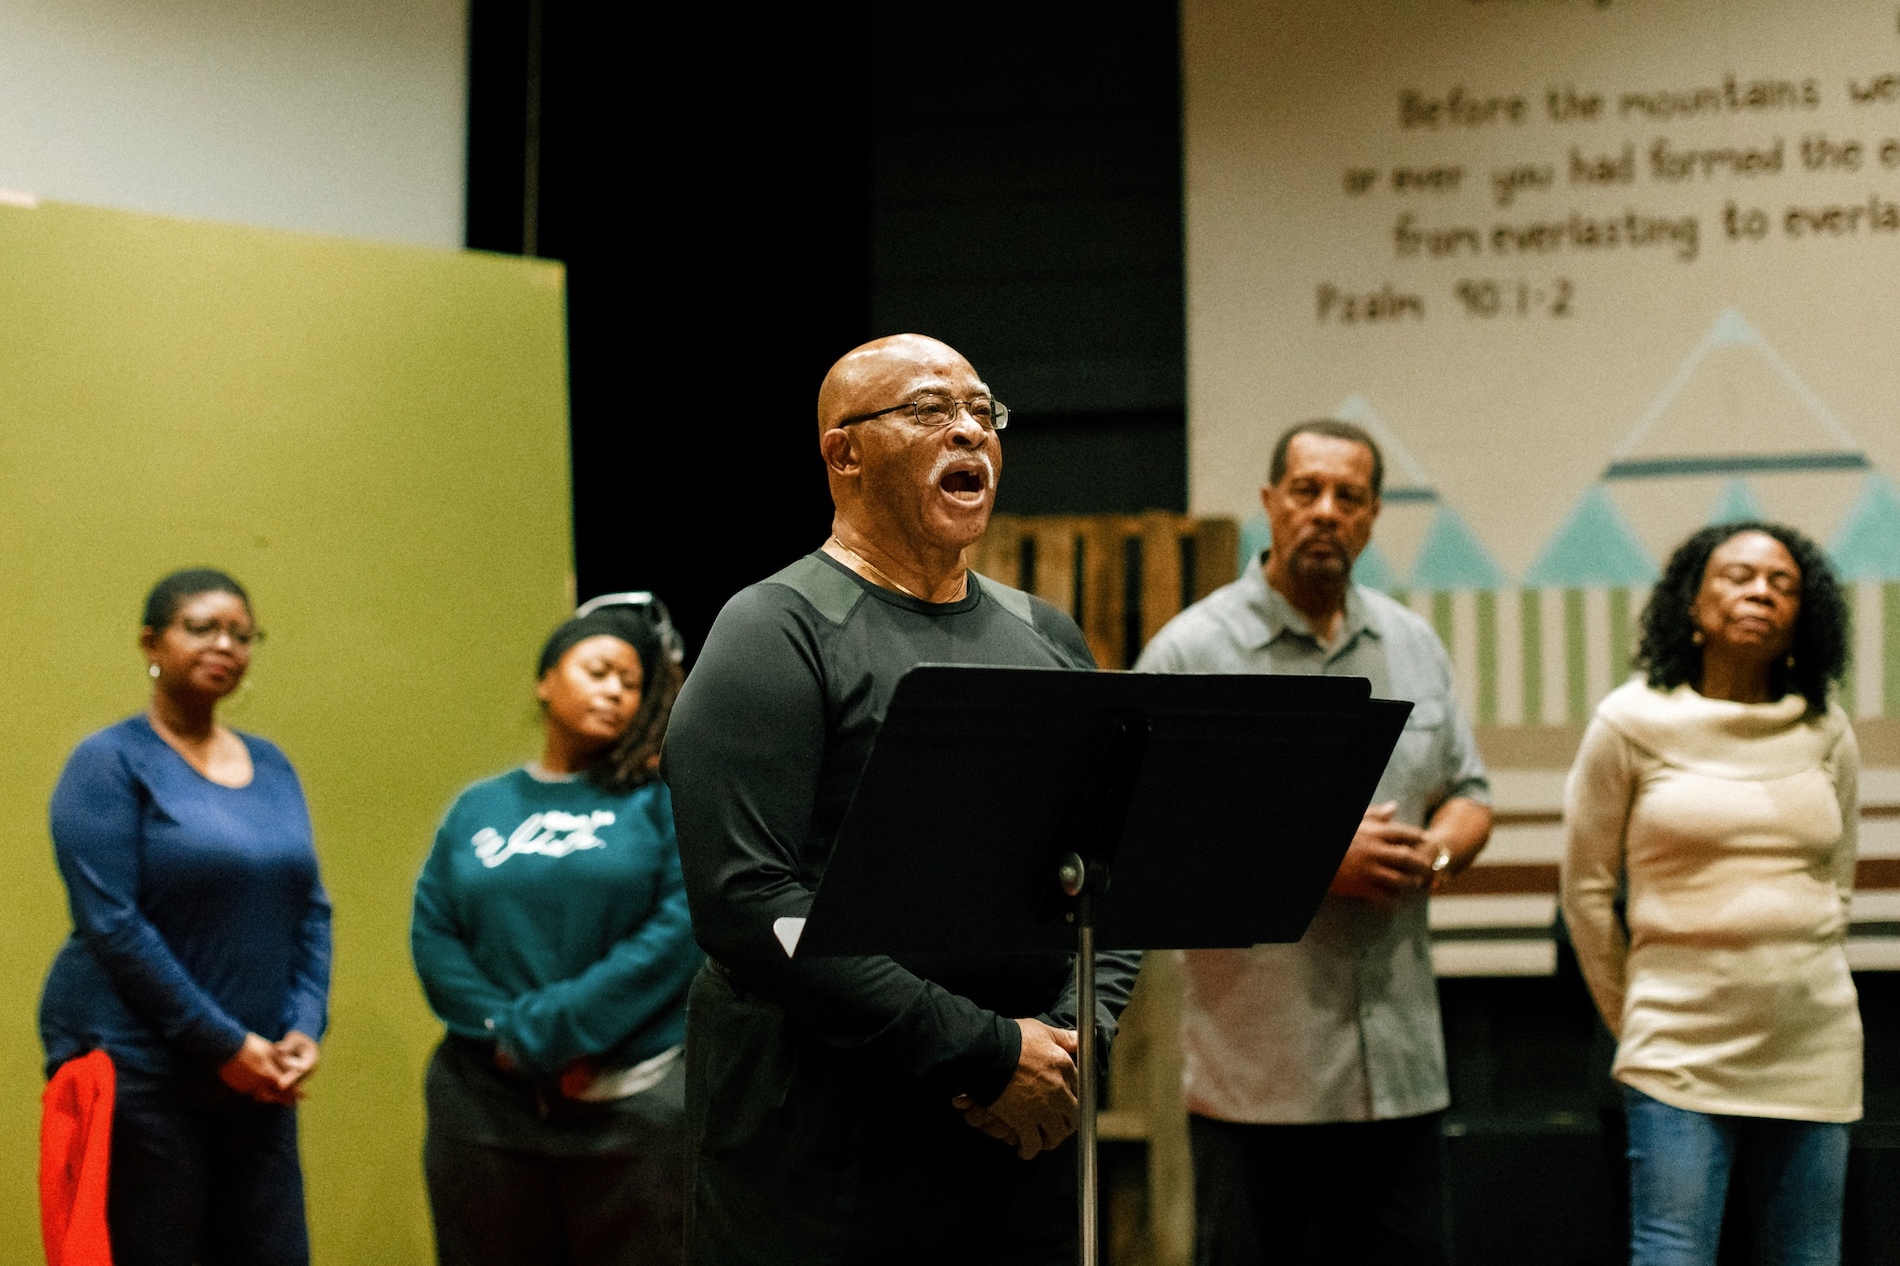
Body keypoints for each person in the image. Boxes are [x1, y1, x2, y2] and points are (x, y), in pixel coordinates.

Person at [662, 333, 1142, 1264]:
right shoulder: (773, 631)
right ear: (844, 451)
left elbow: (1109, 870)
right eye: (929, 410)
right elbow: (750, 906)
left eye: (982, 411)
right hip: (827, 1141)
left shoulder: (1045, 634)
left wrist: (1070, 1042)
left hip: (1027, 1121)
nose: (969, 431)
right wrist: (984, 1054)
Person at [1134, 421, 1492, 1266]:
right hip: (1260, 1082)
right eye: (1306, 491)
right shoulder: (1192, 653)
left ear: (1371, 518)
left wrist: (1435, 855)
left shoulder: (1412, 643)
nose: (1325, 512)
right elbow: (1142, 831)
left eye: (1349, 496)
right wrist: (1313, 859)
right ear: (1270, 504)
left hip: (1400, 1071)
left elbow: (1470, 794)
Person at [1560, 522, 1859, 1266]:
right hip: (1676, 1046)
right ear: (1691, 606)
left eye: (1782, 583)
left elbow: (1838, 885)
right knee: (1673, 1254)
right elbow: (1587, 893)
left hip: (1811, 1043)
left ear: (1803, 615)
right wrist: (1633, 1017)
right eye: (1738, 576)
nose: (1761, 591)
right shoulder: (1630, 722)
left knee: (1809, 1257)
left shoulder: (1825, 729)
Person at [39, 567, 331, 1266]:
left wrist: (302, 1027)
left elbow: (310, 908)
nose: (224, 644)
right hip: (145, 1081)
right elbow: (112, 924)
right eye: (201, 628)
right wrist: (222, 1046)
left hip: (260, 1081)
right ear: (152, 641)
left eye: (241, 633)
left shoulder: (272, 763)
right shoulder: (108, 763)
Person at [412, 594, 701, 1266]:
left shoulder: (661, 805)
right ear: (545, 681)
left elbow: (676, 934)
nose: (615, 692)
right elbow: (436, 934)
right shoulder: (479, 806)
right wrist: (506, 1034)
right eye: (598, 670)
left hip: (632, 1106)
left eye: (631, 684)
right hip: (484, 1106)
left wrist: (553, 1032)